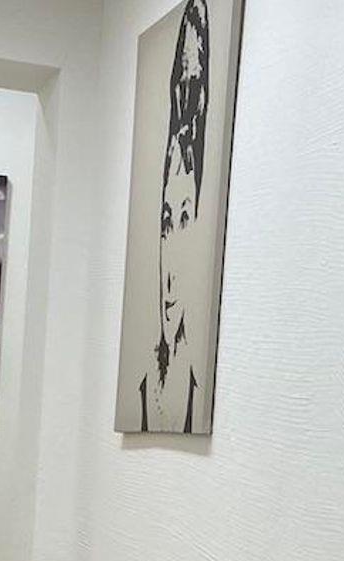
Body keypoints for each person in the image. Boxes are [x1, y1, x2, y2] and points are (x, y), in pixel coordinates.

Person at [138, 0, 209, 432]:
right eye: (167, 222)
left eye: (185, 219)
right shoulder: (145, 385)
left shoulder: (196, 388)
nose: (169, 280)